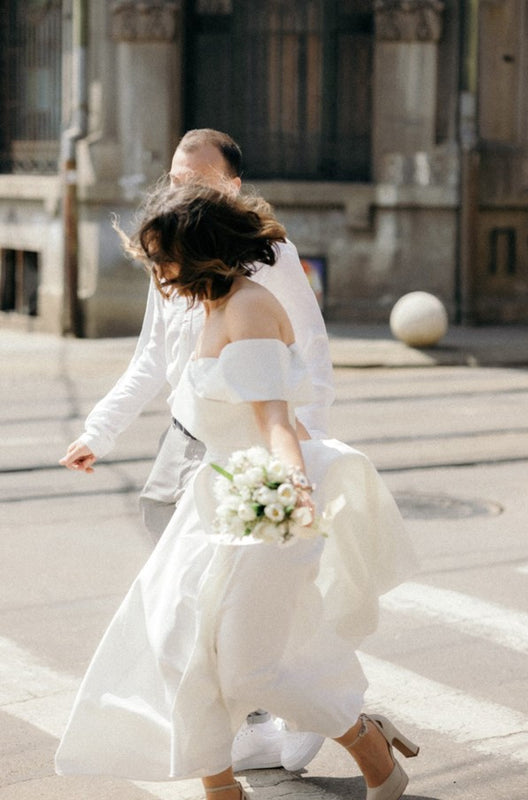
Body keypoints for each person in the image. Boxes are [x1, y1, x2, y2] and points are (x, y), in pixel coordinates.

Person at [55, 183, 419, 800]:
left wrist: (294, 492)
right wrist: (100, 432)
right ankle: (221, 790)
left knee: (253, 666)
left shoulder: (248, 309)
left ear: (199, 252)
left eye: (162, 258)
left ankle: (367, 739)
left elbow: (276, 420)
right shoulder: (209, 308)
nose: (157, 272)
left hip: (265, 505)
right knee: (180, 645)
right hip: (215, 500)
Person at [59, 129, 333, 771]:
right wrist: (98, 430)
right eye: (177, 177)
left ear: (232, 186)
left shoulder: (266, 257)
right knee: (185, 570)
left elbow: (311, 349)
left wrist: (303, 442)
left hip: (252, 435)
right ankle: (253, 714)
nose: (183, 188)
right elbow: (151, 356)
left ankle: (312, 707)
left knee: (247, 585)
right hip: (190, 429)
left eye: (199, 180)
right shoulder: (171, 250)